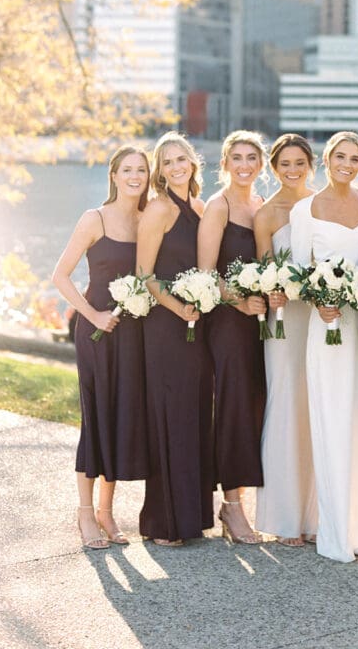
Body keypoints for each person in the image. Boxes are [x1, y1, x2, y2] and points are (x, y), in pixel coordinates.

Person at [289, 131, 358, 562]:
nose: (346, 164)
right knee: (332, 420)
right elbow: (297, 273)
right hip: (329, 327)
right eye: (340, 157)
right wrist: (319, 299)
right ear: (326, 160)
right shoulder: (305, 210)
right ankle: (336, 531)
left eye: (355, 159)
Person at [52, 145, 151, 549]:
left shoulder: (148, 219)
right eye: (127, 169)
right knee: (95, 418)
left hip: (133, 334)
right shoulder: (94, 218)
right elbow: (60, 276)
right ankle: (84, 512)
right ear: (113, 175)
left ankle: (107, 513)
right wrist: (92, 316)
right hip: (96, 333)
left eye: (141, 170)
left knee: (120, 417)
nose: (134, 176)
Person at [137, 132, 214, 546]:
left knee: (194, 413)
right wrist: (177, 307)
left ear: (192, 162)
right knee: (170, 415)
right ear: (160, 171)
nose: (175, 167)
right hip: (166, 326)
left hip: (197, 325)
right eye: (167, 162)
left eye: (180, 158)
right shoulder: (158, 209)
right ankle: (164, 522)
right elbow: (145, 275)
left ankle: (192, 517)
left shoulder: (200, 207)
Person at [197, 130, 267, 544]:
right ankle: (232, 506)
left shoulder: (260, 205)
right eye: (236, 158)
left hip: (260, 323)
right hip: (227, 322)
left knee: (255, 406)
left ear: (261, 164)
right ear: (224, 164)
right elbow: (206, 273)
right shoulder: (217, 206)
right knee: (235, 407)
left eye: (251, 158)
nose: (244, 165)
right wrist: (240, 303)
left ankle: (243, 499)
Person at [253, 134, 318, 546]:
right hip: (283, 322)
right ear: (274, 168)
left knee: (317, 408)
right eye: (285, 164)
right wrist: (270, 291)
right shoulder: (266, 214)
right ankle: (284, 516)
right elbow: (264, 271)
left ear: (310, 165)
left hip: (321, 317)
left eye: (299, 163)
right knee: (285, 405)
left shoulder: (320, 206)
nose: (292, 171)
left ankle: (316, 514)